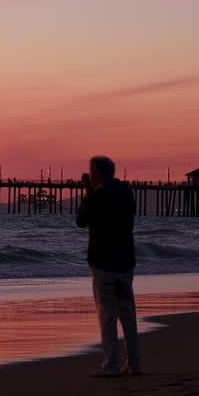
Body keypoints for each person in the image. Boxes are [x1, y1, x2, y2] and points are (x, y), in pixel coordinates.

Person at [76, 155, 141, 377]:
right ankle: (135, 363)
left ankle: (112, 364)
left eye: (91, 173)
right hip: (126, 260)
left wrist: (87, 189)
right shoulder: (127, 193)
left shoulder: (100, 194)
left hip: (104, 261)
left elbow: (81, 219)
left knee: (107, 314)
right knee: (128, 313)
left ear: (97, 173)